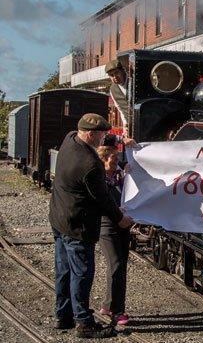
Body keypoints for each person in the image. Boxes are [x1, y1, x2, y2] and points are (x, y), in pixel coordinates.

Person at [49, 113, 133, 338]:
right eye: (102, 135)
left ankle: (62, 315)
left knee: (63, 270)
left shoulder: (69, 140)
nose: (103, 138)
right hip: (78, 226)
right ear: (90, 134)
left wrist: (118, 142)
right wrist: (121, 219)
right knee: (82, 273)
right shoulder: (90, 164)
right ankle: (84, 323)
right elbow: (103, 199)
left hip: (58, 218)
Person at [96, 145, 131, 326]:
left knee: (121, 265)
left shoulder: (118, 175)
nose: (116, 162)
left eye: (117, 159)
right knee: (115, 263)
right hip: (107, 224)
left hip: (123, 224)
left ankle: (108, 304)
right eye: (113, 160)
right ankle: (117, 311)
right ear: (103, 160)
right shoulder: (98, 179)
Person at [105, 59, 130, 137]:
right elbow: (121, 110)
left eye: (116, 73)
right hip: (130, 125)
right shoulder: (112, 90)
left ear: (122, 71)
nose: (114, 77)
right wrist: (125, 126)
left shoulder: (133, 81)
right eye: (111, 75)